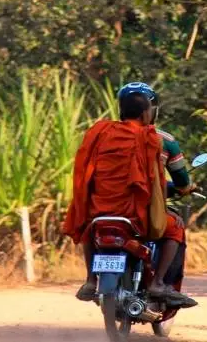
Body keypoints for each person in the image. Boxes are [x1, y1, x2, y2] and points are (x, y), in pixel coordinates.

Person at [62, 82, 197, 307]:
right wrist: (183, 189)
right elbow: (155, 182)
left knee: (89, 224)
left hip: (100, 209)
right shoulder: (158, 139)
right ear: (149, 111)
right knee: (175, 227)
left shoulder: (99, 133)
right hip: (135, 215)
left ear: (121, 109)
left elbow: (85, 173)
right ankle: (157, 283)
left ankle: (89, 280)